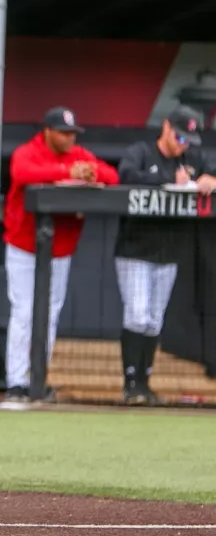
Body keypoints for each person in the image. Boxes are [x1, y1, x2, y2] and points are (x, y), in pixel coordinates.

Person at [2, 107, 118, 402]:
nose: (69, 138)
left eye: (72, 133)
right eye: (64, 133)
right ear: (48, 131)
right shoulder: (29, 152)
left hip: (60, 248)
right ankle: (16, 381)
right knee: (25, 312)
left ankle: (36, 379)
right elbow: (22, 172)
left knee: (50, 314)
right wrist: (67, 172)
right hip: (25, 246)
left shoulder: (79, 154)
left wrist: (90, 173)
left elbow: (112, 176)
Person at [115, 105, 215, 405]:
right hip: (136, 249)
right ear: (167, 128)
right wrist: (168, 181)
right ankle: (131, 384)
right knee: (138, 314)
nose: (183, 144)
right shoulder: (142, 152)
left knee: (154, 320)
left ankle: (144, 384)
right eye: (180, 137)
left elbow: (210, 169)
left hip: (170, 250)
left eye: (188, 140)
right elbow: (126, 175)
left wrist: (210, 178)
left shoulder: (192, 158)